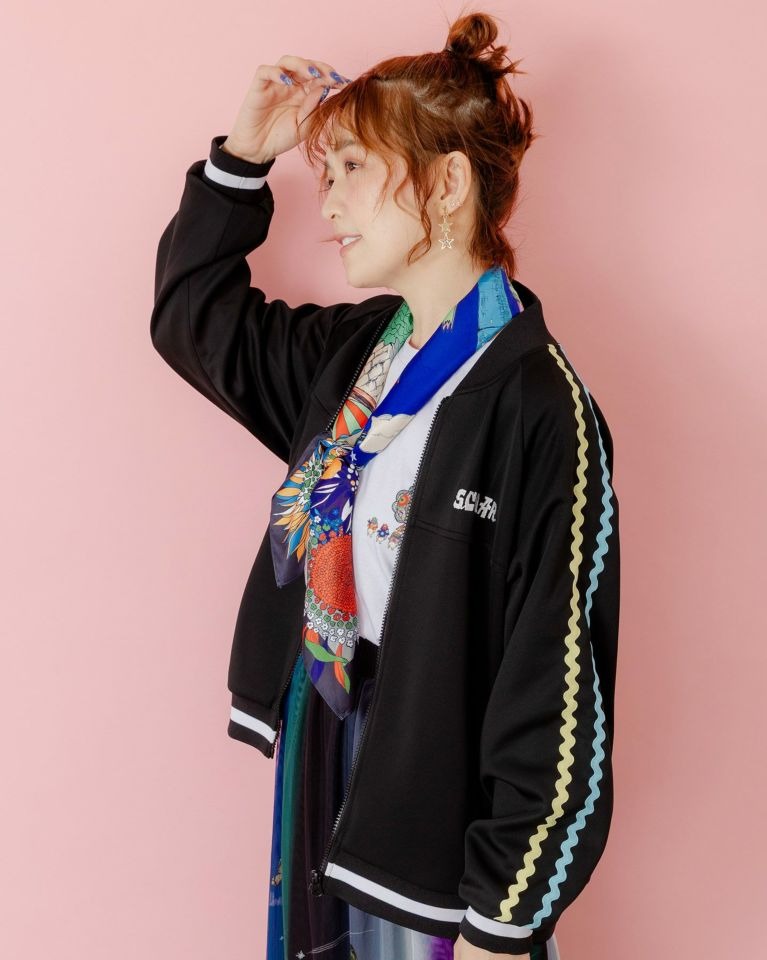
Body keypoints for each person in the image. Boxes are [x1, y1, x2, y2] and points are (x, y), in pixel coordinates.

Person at [150, 10, 620, 960]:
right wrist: (243, 158)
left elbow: (556, 689)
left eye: (353, 169)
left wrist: (504, 920)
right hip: (328, 752)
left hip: (440, 816)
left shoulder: (540, 406)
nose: (327, 204)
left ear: (447, 184)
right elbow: (193, 321)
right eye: (326, 174)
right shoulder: (356, 356)